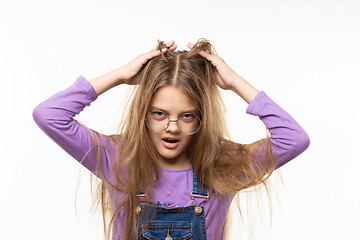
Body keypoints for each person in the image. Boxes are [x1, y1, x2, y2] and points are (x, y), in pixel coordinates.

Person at [32, 38, 310, 240]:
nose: (172, 127)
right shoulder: (117, 158)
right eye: (159, 114)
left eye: (187, 116)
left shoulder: (223, 165)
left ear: (203, 118)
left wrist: (235, 82)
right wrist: (119, 75)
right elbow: (49, 115)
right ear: (144, 113)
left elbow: (293, 139)